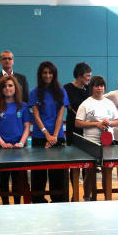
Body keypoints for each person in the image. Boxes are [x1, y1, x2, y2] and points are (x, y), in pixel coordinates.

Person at [28, 61, 69, 203]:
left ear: (54, 74)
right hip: (40, 137)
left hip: (58, 137)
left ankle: (58, 199)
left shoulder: (61, 91)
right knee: (38, 172)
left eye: (50, 73)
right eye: (44, 73)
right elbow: (36, 115)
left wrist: (55, 136)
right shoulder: (34, 93)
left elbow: (60, 115)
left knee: (57, 172)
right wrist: (46, 134)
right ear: (40, 74)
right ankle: (38, 200)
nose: (47, 75)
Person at [75, 75, 118, 200]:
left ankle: (107, 198)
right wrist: (96, 124)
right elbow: (77, 123)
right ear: (92, 88)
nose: (99, 88)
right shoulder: (86, 104)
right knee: (89, 173)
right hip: (91, 143)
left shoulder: (109, 103)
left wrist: (109, 123)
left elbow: (117, 120)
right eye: (96, 86)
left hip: (108, 142)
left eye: (101, 86)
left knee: (107, 171)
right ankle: (87, 197)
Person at [0, 74, 30, 204]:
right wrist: (2, 143)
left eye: (10, 85)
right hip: (2, 149)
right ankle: (5, 204)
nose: (8, 88)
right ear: (1, 89)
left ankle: (17, 204)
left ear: (15, 88)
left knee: (17, 179)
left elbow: (27, 127)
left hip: (19, 149)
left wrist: (21, 143)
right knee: (4, 179)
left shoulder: (23, 106)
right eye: (4, 86)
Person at [64, 62, 92, 200]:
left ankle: (87, 194)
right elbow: (69, 107)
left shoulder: (89, 89)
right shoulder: (67, 88)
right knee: (74, 163)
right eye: (87, 76)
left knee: (87, 163)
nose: (89, 79)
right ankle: (75, 194)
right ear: (80, 76)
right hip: (73, 128)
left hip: (87, 130)